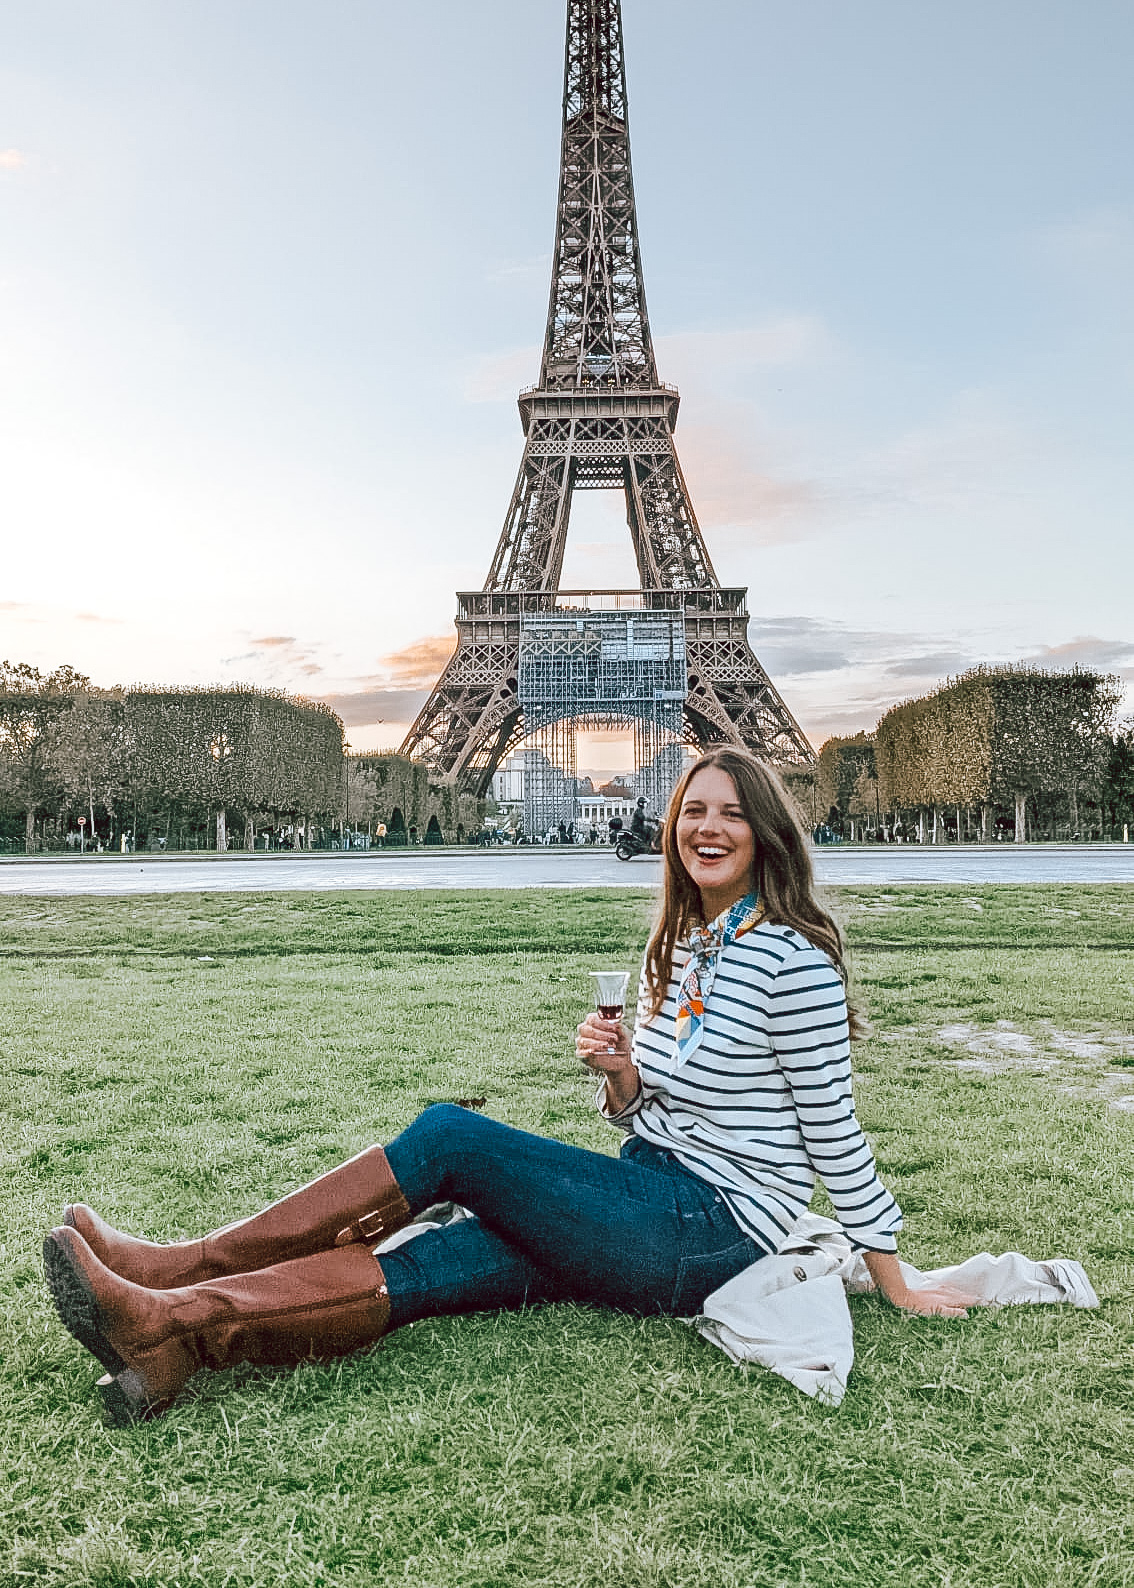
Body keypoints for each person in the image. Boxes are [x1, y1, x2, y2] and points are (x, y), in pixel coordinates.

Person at [42, 747, 973, 1426]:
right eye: (693, 810)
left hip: (711, 1230)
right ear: (672, 830)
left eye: (729, 812)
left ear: (765, 832)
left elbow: (834, 1131)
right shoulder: (689, 948)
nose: (707, 827)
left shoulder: (793, 960)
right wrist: (621, 1076)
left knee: (452, 1137)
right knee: (433, 1267)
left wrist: (895, 1283)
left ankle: (181, 1265)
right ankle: (174, 1333)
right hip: (649, 1195)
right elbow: (657, 1108)